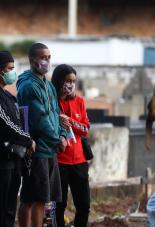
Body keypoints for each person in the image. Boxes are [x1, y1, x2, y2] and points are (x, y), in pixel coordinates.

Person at [0, 50, 35, 227]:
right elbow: (5, 124)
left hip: (12, 158)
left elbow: (17, 121)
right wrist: (28, 140)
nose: (13, 72)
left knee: (9, 207)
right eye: (10, 68)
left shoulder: (7, 95)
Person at [16, 43, 67, 227]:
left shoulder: (47, 84)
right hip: (36, 149)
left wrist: (62, 135)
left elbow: (55, 113)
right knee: (29, 198)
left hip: (49, 149)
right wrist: (56, 139)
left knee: (42, 198)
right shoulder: (29, 86)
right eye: (43, 58)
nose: (47, 61)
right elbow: (40, 119)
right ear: (32, 60)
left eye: (49, 57)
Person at [51, 64, 91, 227]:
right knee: (59, 205)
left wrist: (71, 122)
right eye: (68, 80)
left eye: (73, 81)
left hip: (80, 161)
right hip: (59, 162)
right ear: (59, 81)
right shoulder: (51, 103)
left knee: (84, 205)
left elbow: (86, 129)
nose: (71, 84)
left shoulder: (79, 101)